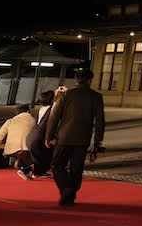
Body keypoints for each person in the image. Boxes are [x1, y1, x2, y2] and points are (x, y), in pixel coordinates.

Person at [45, 68, 105, 207]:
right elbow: (100, 121)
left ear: (77, 80)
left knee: (57, 165)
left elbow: (54, 117)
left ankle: (66, 189)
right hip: (83, 138)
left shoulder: (66, 95)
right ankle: (70, 194)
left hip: (64, 137)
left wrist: (49, 136)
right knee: (76, 168)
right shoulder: (96, 97)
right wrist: (97, 141)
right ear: (90, 80)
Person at [0, 104, 37, 181]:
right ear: (28, 111)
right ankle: (23, 165)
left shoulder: (10, 121)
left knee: (18, 152)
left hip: (11, 150)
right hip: (27, 150)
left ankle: (17, 160)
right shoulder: (34, 121)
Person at [27, 90, 56, 177]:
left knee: (39, 159)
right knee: (49, 155)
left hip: (32, 136)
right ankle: (27, 170)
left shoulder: (41, 109)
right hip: (39, 137)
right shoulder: (51, 109)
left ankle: (36, 172)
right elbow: (57, 105)